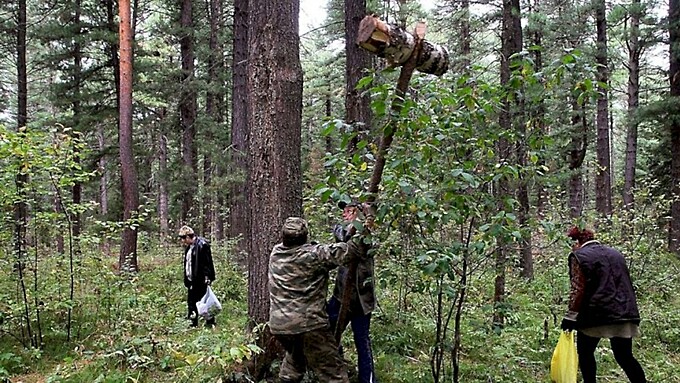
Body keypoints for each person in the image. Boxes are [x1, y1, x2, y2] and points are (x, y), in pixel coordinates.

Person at [269, 216, 368, 383]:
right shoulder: (313, 255)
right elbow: (351, 250)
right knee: (333, 375)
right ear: (304, 236)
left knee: (294, 362)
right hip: (309, 325)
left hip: (280, 326)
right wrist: (365, 226)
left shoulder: (276, 253)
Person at [561, 226, 646, 383]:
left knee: (585, 353)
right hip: (624, 312)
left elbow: (578, 289)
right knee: (625, 356)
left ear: (577, 242)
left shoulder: (578, 256)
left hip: (595, 315)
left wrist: (570, 316)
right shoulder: (616, 254)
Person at [328, 200, 378, 383]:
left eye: (349, 211)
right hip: (340, 296)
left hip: (362, 300)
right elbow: (341, 240)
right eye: (345, 211)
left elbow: (356, 244)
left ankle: (368, 379)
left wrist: (366, 218)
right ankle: (336, 365)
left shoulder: (366, 234)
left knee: (362, 341)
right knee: (327, 329)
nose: (344, 214)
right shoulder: (341, 229)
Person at [178, 225, 216, 328]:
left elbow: (207, 263)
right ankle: (192, 322)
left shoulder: (202, 245)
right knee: (191, 302)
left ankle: (210, 323)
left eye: (183, 239)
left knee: (205, 302)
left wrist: (207, 277)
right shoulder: (189, 248)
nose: (182, 242)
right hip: (192, 280)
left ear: (188, 237)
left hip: (201, 280)